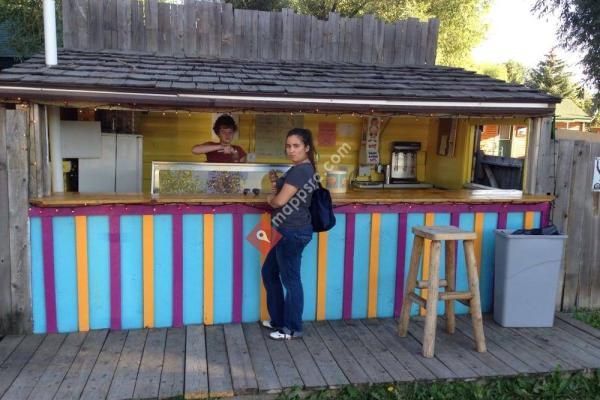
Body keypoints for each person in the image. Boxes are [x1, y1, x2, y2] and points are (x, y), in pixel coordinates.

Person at [261, 128, 317, 340]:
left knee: (291, 281)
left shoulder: (301, 170)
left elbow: (279, 202)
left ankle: (292, 328)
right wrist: (276, 184)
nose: (291, 150)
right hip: (286, 229)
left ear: (307, 148)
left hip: (292, 231)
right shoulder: (298, 169)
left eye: (296, 146)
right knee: (269, 272)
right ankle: (278, 320)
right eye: (288, 146)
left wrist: (270, 199)